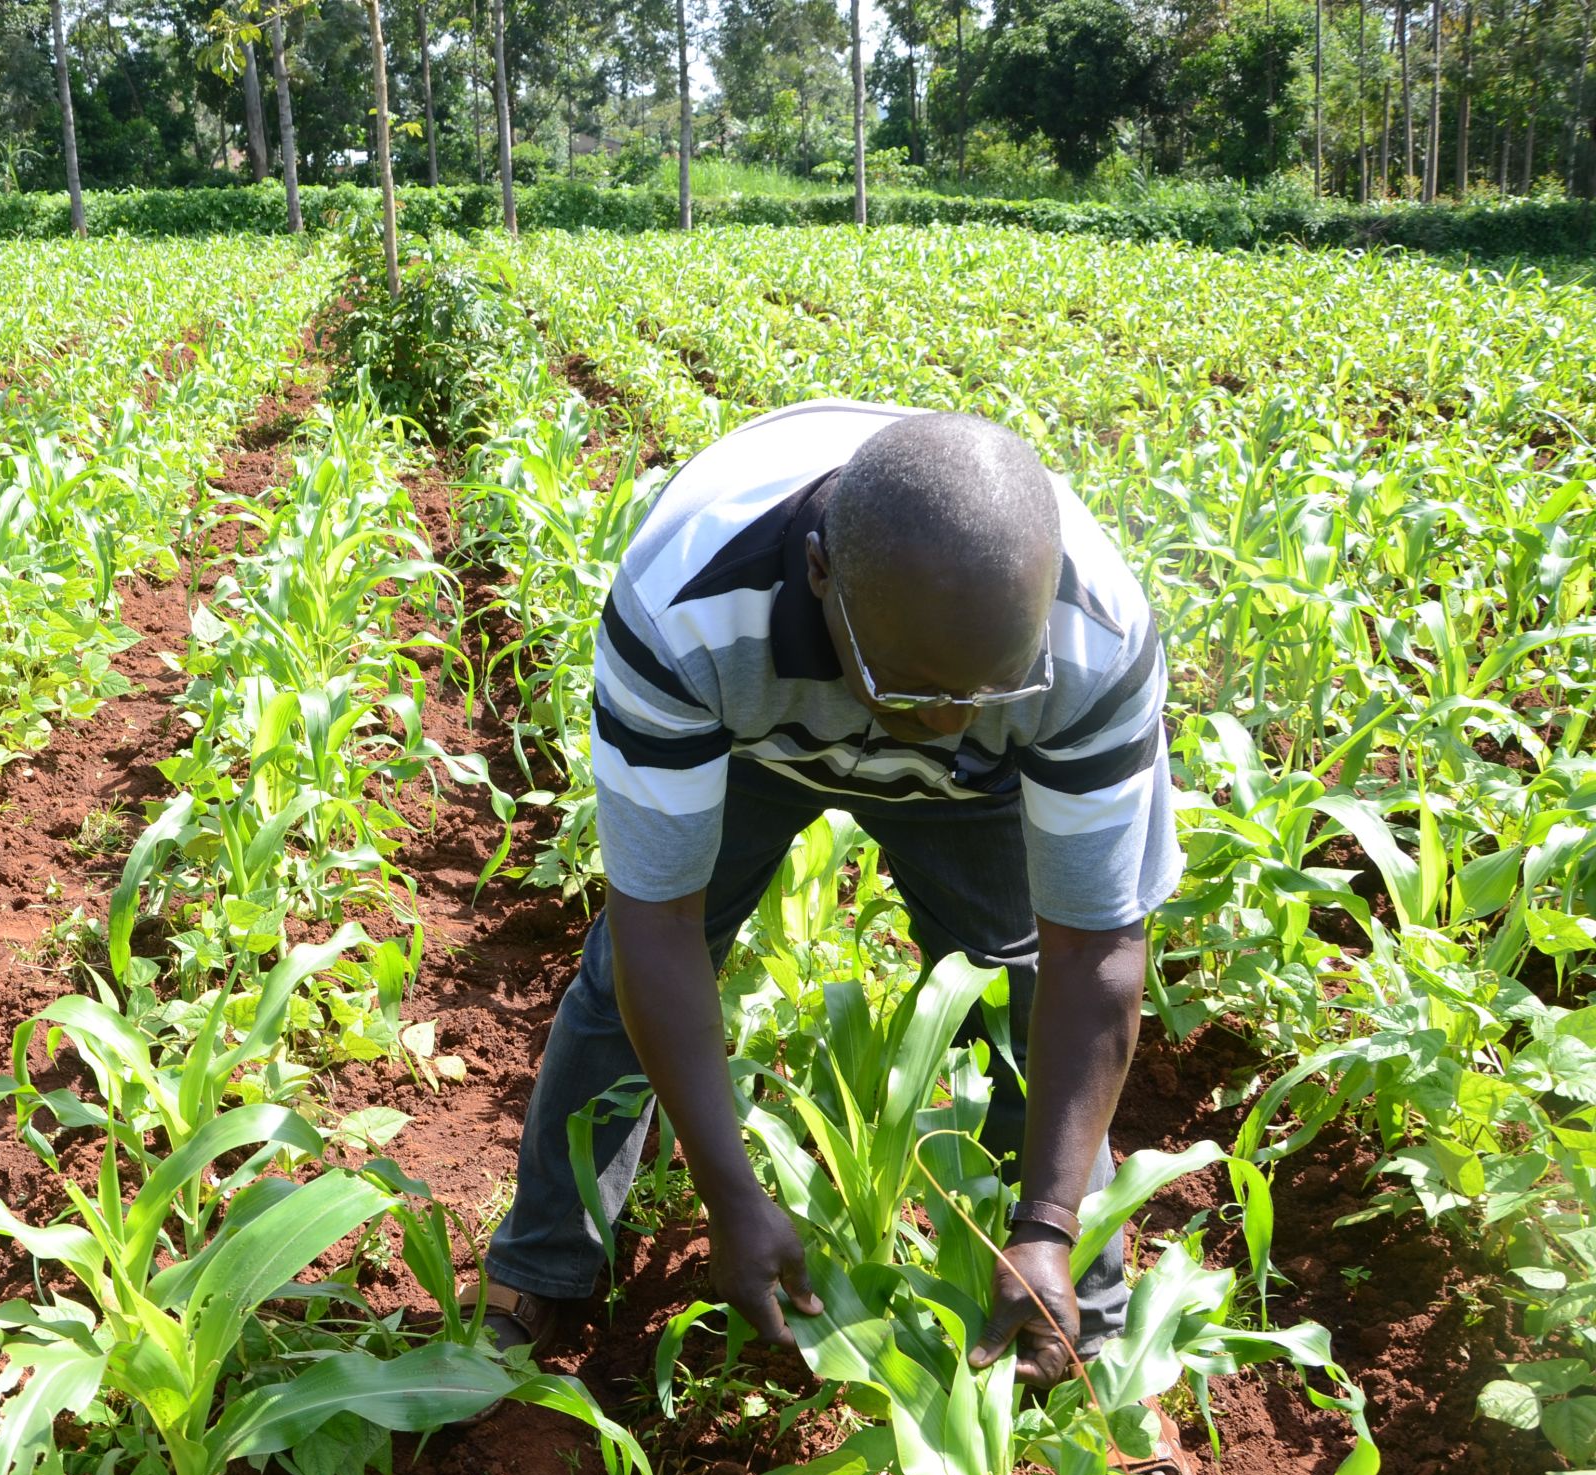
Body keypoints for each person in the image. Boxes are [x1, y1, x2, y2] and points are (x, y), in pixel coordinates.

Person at [466, 400, 1180, 1411]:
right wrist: (729, 1193)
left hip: (978, 788)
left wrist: (1050, 1221)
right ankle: (540, 1264)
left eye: (986, 685)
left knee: (1020, 985)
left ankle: (1083, 1321)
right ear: (818, 573)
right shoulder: (683, 606)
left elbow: (1094, 951)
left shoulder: (1089, 639)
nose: (940, 720)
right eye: (920, 687)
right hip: (751, 732)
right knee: (623, 980)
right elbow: (658, 925)